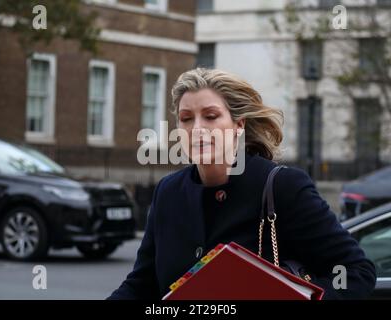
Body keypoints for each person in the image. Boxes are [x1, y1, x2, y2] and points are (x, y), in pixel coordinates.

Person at [107, 68, 376, 300]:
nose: (197, 128)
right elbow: (142, 285)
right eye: (186, 118)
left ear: (238, 124)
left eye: (211, 116)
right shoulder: (168, 192)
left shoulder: (283, 186)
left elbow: (354, 272)